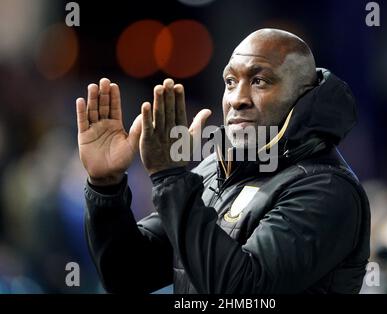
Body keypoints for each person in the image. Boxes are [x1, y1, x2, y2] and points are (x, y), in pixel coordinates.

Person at [76, 28, 371, 294]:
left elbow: (241, 292)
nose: (237, 99)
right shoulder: (215, 170)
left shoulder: (327, 189)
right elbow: (127, 275)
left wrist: (169, 177)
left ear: (302, 96)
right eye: (231, 81)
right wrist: (106, 187)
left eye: (259, 81)